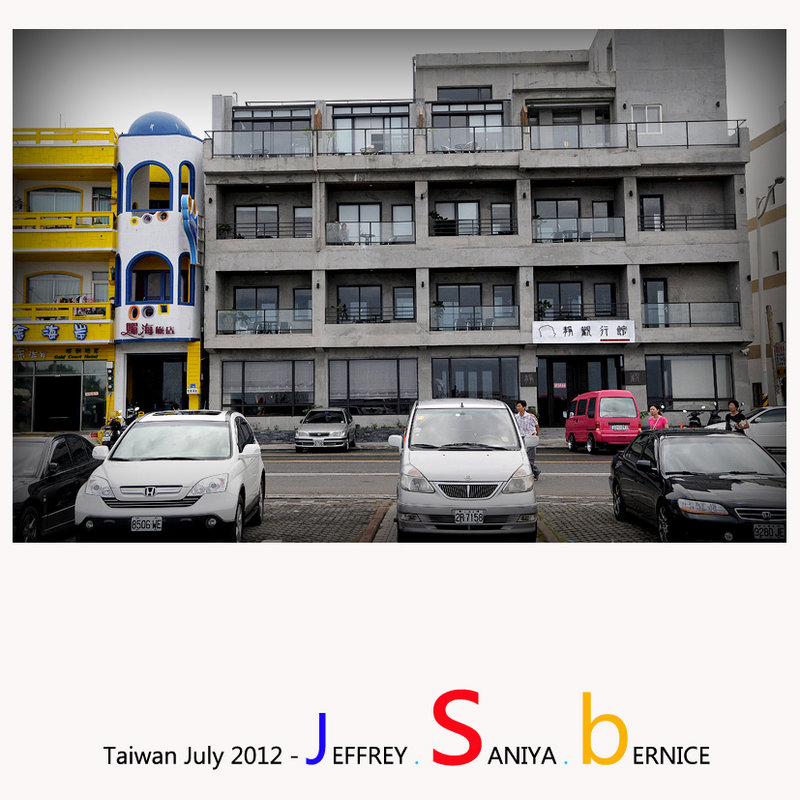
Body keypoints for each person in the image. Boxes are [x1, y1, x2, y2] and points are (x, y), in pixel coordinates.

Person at [514, 400, 541, 479]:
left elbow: (537, 426)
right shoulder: (516, 417)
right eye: (517, 406)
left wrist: (535, 434)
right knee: (522, 457)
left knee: (530, 458)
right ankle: (534, 472)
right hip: (521, 438)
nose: (517, 408)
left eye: (519, 406)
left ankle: (535, 473)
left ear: (524, 407)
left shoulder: (530, 417)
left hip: (530, 438)